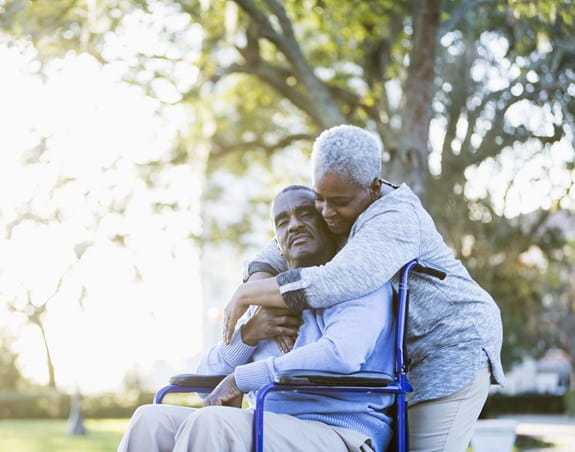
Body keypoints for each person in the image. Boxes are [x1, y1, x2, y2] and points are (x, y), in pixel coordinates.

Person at [223, 125, 505, 452]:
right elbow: (272, 253)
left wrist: (245, 295)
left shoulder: (394, 218)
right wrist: (258, 290)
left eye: (337, 203)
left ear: (373, 188)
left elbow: (333, 282)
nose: (326, 213)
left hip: (451, 344)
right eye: (319, 200)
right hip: (404, 357)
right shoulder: (337, 203)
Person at [118, 185, 396, 452]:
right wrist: (248, 335)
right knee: (149, 420)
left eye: (306, 213)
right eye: (282, 222)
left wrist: (242, 378)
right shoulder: (267, 295)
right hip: (267, 426)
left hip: (340, 431)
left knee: (212, 423)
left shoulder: (358, 279)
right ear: (278, 245)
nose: (294, 225)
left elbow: (342, 354)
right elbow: (205, 384)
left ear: (328, 222)